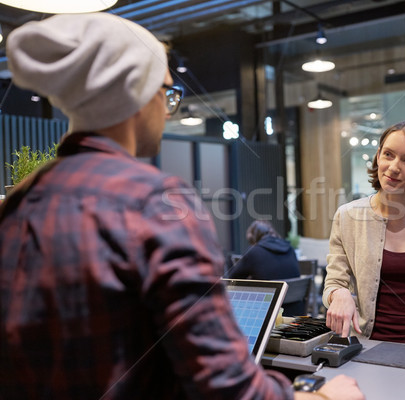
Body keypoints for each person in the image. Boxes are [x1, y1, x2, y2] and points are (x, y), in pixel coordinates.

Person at [0, 13, 364, 400]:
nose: (168, 109)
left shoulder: (19, 202)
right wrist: (324, 397)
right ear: (141, 94)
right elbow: (227, 389)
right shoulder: (155, 205)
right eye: (168, 93)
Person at [322, 120, 405, 347]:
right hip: (365, 348)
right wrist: (340, 295)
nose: (394, 167)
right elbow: (334, 282)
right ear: (378, 156)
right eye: (388, 154)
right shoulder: (348, 217)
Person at [228, 220, 300, 280]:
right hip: (294, 296)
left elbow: (232, 279)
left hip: (269, 296)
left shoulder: (254, 252)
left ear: (253, 238)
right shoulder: (290, 248)